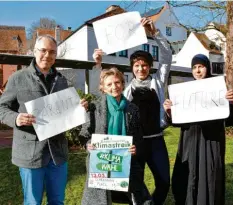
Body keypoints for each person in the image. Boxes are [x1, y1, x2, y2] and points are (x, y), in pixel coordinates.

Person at [93, 17, 172, 205]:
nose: (141, 68)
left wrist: (156, 34)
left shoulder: (158, 82)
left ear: (149, 66)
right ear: (132, 68)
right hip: (134, 144)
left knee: (164, 181)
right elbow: (104, 89)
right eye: (136, 65)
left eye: (144, 65)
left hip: (156, 141)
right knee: (134, 185)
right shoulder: (125, 89)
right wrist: (98, 64)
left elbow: (167, 56)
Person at [0, 35, 87, 205]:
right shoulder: (18, 78)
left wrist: (79, 108)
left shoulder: (62, 80)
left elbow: (65, 112)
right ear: (35, 52)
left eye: (52, 52)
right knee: (33, 201)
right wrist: (16, 118)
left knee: (57, 201)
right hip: (30, 153)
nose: (47, 55)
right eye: (43, 50)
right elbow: (1, 108)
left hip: (57, 153)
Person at [163, 54, 233, 205]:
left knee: (209, 176)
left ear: (207, 67)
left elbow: (228, 120)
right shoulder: (184, 91)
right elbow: (176, 121)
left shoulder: (219, 89)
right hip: (189, 140)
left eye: (201, 66)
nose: (197, 71)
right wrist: (169, 111)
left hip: (210, 141)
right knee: (187, 177)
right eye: (194, 67)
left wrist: (231, 104)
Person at [81, 67, 153, 205]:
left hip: (126, 159)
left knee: (140, 197)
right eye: (109, 84)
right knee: (100, 199)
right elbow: (85, 133)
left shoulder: (132, 109)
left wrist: (135, 147)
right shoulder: (94, 107)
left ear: (122, 83)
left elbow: (138, 136)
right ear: (103, 87)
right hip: (100, 161)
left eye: (117, 82)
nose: (114, 87)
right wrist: (88, 144)